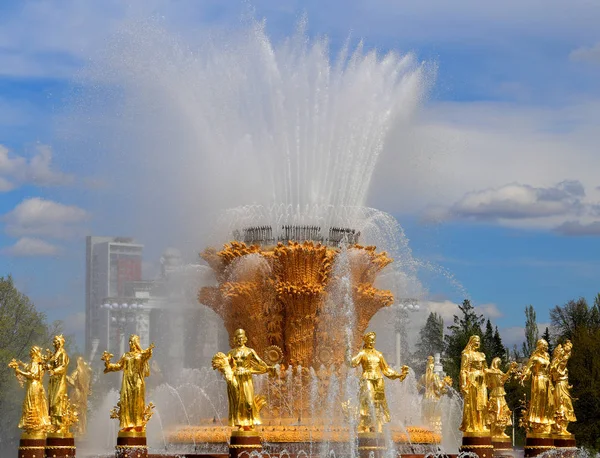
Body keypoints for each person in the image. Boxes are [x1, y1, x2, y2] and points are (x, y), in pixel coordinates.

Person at [349, 331, 409, 433]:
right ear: (366, 340)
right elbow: (352, 363)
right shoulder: (362, 353)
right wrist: (347, 350)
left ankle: (376, 424)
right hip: (367, 378)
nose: (372, 342)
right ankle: (365, 424)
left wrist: (398, 375)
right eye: (370, 340)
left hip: (379, 380)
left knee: (378, 403)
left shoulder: (379, 354)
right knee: (368, 399)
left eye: (373, 340)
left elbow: (386, 369)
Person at [212, 329, 272, 430]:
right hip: (235, 378)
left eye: (242, 338)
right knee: (238, 402)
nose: (240, 340)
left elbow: (260, 362)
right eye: (238, 338)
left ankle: (251, 421)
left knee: (248, 401)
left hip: (246, 378)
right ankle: (240, 424)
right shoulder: (231, 352)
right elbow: (226, 365)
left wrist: (268, 367)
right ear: (235, 340)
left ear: (245, 339)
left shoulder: (250, 351)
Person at [103, 334, 154, 432]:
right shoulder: (125, 355)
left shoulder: (141, 355)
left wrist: (148, 350)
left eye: (132, 341)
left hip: (138, 382)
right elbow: (118, 366)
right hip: (127, 383)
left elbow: (147, 355)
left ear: (136, 342)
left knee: (137, 403)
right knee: (127, 402)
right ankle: (128, 425)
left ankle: (138, 425)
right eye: (129, 341)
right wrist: (108, 363)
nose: (130, 343)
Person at [8, 346, 51, 436]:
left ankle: (36, 425)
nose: (29, 353)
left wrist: (19, 371)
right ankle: (34, 425)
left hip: (34, 386)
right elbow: (28, 367)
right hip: (33, 385)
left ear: (34, 352)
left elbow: (32, 375)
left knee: (32, 403)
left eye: (31, 351)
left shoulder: (35, 363)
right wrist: (21, 364)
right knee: (30, 403)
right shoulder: (34, 362)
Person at [521, 338, 554, 435]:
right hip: (538, 379)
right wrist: (524, 376)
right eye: (544, 346)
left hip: (547, 381)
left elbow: (550, 371)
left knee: (547, 402)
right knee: (538, 400)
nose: (546, 348)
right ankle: (537, 421)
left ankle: (545, 420)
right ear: (539, 346)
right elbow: (528, 370)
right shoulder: (534, 358)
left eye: (547, 346)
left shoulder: (547, 357)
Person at [459, 335, 489, 434]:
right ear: (471, 342)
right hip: (472, 382)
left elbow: (485, 369)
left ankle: (482, 425)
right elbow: (463, 370)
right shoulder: (467, 355)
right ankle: (473, 425)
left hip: (482, 383)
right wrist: (463, 384)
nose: (477, 343)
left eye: (479, 341)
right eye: (475, 341)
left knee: (483, 404)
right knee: (473, 404)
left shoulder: (482, 355)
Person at [418, 355, 452, 434]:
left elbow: (418, 386)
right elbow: (439, 387)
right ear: (433, 367)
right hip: (434, 401)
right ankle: (435, 438)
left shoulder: (423, 376)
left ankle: (426, 437)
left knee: (425, 419)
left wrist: (425, 390)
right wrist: (445, 384)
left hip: (425, 400)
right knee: (435, 420)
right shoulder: (434, 376)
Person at [485, 357, 517, 439]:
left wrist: (510, 369)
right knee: (496, 412)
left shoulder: (499, 372)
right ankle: (494, 431)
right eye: (497, 363)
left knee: (504, 411)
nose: (498, 365)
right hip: (495, 394)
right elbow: (485, 372)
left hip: (501, 394)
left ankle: (501, 431)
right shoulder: (490, 371)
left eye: (499, 363)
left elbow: (504, 379)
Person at [551, 340, 576, 436]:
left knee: (567, 405)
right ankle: (560, 428)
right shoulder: (558, 364)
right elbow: (557, 371)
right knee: (563, 405)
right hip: (560, 386)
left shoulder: (559, 363)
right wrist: (566, 355)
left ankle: (562, 428)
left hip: (563, 386)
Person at [46, 334, 70, 434]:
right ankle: (53, 424)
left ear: (60, 342)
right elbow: (51, 365)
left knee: (57, 401)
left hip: (59, 381)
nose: (53, 343)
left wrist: (54, 371)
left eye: (55, 341)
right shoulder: (55, 353)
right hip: (53, 382)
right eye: (53, 341)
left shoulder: (62, 353)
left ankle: (60, 425)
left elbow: (63, 366)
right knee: (51, 403)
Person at [67, 356, 92, 436]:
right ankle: (82, 430)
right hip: (83, 396)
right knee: (82, 413)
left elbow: (72, 383)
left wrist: (65, 377)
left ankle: (76, 430)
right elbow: (88, 388)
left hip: (76, 393)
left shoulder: (77, 372)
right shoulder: (85, 375)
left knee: (75, 411)